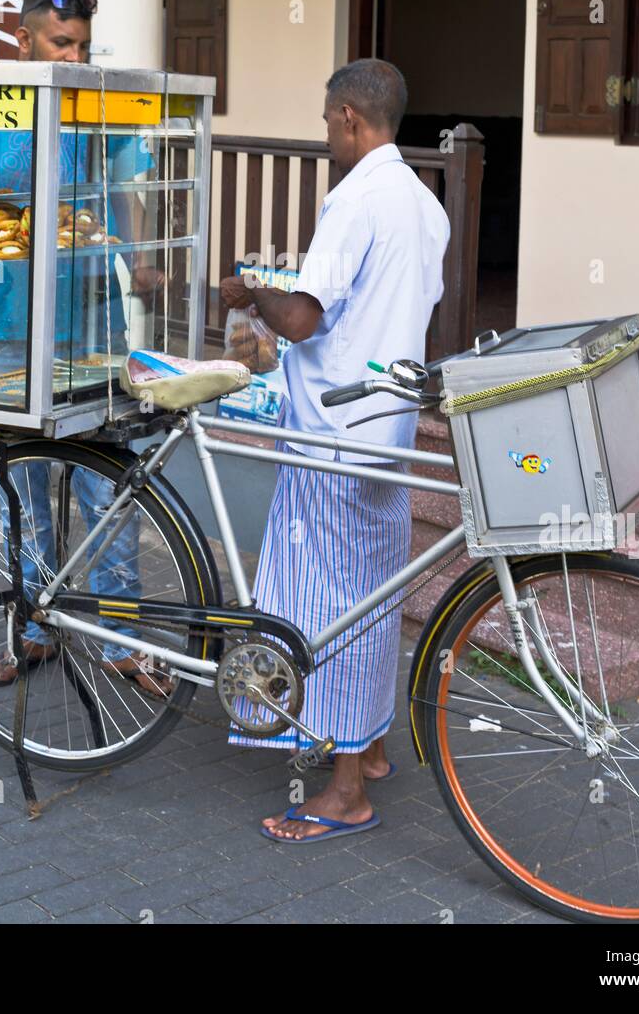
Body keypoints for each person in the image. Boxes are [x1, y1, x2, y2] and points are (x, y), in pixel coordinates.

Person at [219, 58, 450, 842]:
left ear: (350, 118)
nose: (324, 137)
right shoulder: (422, 203)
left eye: (326, 122)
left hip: (332, 436)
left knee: (329, 609)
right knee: (374, 595)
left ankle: (345, 790)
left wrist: (252, 291)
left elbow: (303, 323)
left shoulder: (354, 201)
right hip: (387, 430)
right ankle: (371, 746)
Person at [0, 0, 168, 694]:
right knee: (23, 496)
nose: (74, 54)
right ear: (24, 39)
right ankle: (35, 631)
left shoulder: (97, 105)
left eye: (82, 44)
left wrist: (142, 260)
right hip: (5, 333)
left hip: (92, 329)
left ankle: (118, 639)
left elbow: (129, 193)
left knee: (111, 491)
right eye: (61, 42)